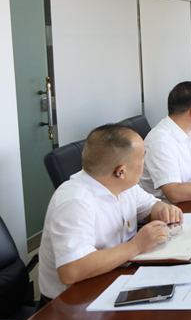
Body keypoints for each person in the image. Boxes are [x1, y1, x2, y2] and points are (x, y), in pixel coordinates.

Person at [38, 124, 183, 302]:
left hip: (115, 277)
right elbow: (72, 270)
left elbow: (150, 207)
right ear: (120, 171)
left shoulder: (123, 185)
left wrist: (164, 210)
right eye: (141, 158)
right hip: (75, 302)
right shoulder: (75, 201)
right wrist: (136, 245)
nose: (144, 162)